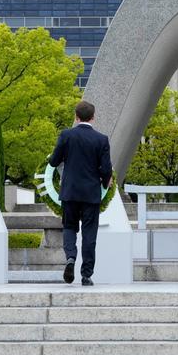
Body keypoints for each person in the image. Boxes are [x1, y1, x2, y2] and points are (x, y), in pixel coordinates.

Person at [49, 100, 112, 286]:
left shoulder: (66, 135)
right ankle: (86, 274)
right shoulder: (101, 139)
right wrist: (103, 181)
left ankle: (70, 257)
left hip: (70, 191)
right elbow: (106, 169)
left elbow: (54, 161)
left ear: (76, 117)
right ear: (93, 117)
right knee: (89, 232)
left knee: (69, 227)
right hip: (91, 192)